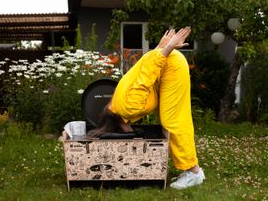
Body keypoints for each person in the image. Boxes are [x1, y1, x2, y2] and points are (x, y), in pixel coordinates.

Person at [87, 27, 205, 190]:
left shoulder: (128, 109)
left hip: (171, 66)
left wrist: (168, 47)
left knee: (172, 120)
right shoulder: (116, 104)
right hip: (164, 62)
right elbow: (141, 67)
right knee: (169, 119)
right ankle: (190, 169)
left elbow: (146, 76)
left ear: (118, 127)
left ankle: (194, 172)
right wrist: (159, 48)